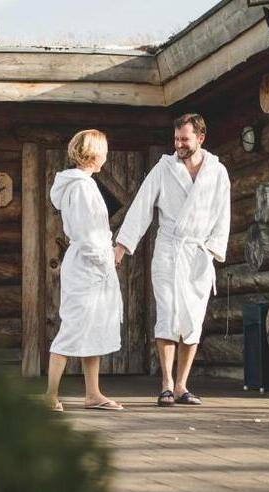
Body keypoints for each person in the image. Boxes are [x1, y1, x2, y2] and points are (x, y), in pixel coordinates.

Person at [114, 114, 230, 407]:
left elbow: (223, 213)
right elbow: (141, 206)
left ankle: (182, 385)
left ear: (200, 138)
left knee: (192, 320)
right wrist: (122, 245)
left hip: (198, 252)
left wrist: (214, 249)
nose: (178, 144)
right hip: (169, 249)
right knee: (167, 315)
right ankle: (166, 383)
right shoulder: (164, 169)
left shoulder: (217, 172)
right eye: (176, 139)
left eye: (185, 139)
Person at [44, 129, 124, 412]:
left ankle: (93, 393)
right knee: (74, 326)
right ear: (93, 153)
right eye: (103, 150)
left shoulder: (86, 184)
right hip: (88, 265)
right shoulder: (79, 187)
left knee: (95, 327)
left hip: (95, 265)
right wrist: (105, 259)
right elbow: (85, 230)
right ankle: (50, 395)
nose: (105, 155)